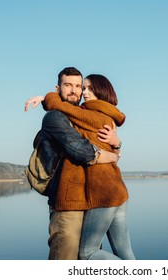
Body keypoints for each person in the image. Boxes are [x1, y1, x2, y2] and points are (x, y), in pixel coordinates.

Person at [25, 67, 121, 260]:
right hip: (67, 205)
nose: (75, 91)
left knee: (89, 260)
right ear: (58, 88)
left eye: (79, 86)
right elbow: (82, 151)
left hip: (90, 203)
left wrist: (116, 144)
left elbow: (108, 145)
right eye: (68, 85)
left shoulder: (80, 116)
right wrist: (111, 157)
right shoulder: (54, 117)